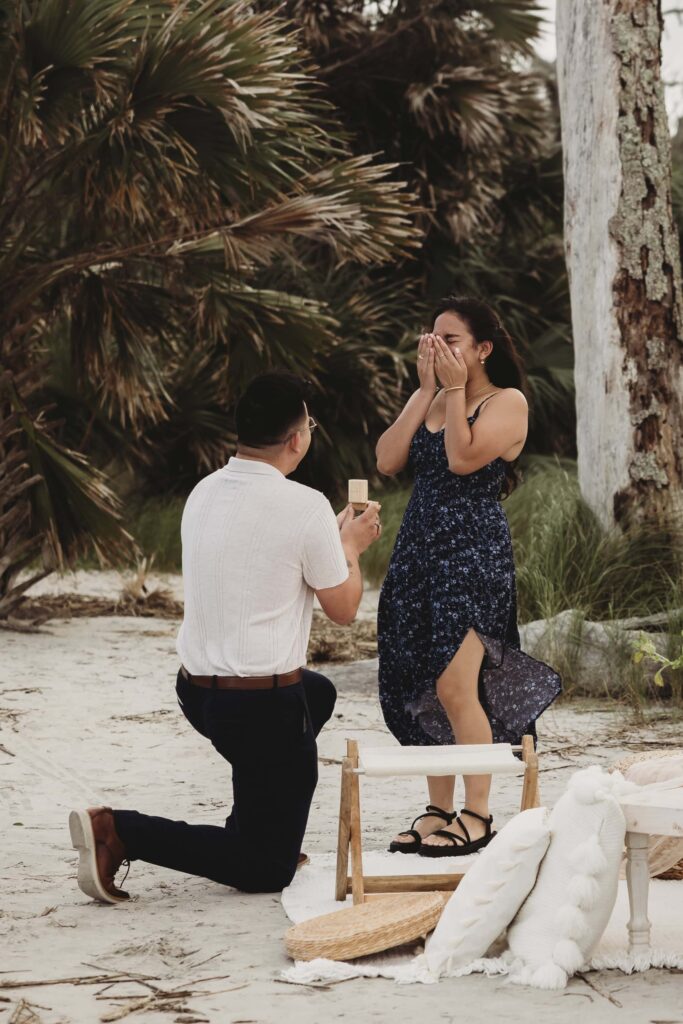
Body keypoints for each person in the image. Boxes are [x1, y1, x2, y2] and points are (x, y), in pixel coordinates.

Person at [69, 371, 382, 902]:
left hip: (198, 694)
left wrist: (332, 538)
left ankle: (260, 819)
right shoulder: (303, 506)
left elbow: (267, 556)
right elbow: (344, 608)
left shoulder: (205, 492)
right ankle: (118, 830)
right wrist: (349, 547)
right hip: (260, 708)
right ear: (297, 439)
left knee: (319, 694)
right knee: (265, 869)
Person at [375, 297, 561, 858]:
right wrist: (426, 391)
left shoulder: (508, 402)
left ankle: (478, 814)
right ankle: (438, 809)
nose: (438, 348)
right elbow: (387, 460)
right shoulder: (430, 397)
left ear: (483, 348)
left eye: (450, 340)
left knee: (458, 684)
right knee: (424, 683)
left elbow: (461, 457)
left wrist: (452, 392)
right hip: (418, 551)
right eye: (432, 338)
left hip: (473, 553)